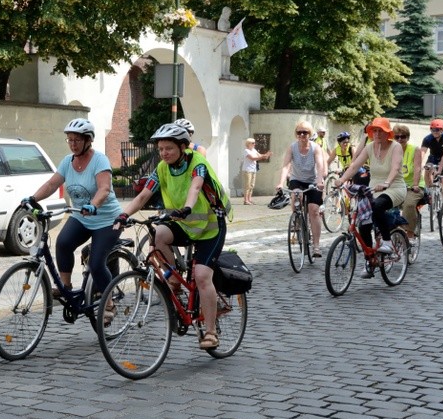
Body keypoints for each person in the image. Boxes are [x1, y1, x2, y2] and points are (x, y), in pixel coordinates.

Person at [114, 123, 232, 350]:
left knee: (201, 276)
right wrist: (123, 215)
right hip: (183, 223)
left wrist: (187, 207)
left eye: (169, 148)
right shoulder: (161, 168)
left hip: (210, 227)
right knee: (156, 235)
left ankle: (210, 332)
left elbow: (195, 187)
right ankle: (174, 278)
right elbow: (143, 195)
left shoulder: (197, 162)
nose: (164, 153)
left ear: (182, 147)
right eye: (160, 149)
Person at [22, 118, 123, 300]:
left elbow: (104, 188)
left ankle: (109, 301)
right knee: (63, 242)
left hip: (107, 219)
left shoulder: (99, 160)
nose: (73, 144)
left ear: (88, 140)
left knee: (96, 262)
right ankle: (65, 286)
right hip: (82, 217)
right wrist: (32, 198)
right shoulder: (67, 162)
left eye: (77, 140)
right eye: (70, 140)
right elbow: (52, 184)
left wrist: (93, 205)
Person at [335, 117, 406, 278]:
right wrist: (341, 180)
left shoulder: (395, 147)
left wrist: (387, 182)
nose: (377, 133)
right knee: (363, 224)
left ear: (387, 133)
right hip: (373, 188)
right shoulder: (369, 147)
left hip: (394, 187)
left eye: (380, 130)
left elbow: (395, 168)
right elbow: (354, 166)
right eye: (374, 130)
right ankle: (370, 261)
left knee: (378, 206)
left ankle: (387, 242)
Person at [276, 120, 326, 258]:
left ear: (310, 134)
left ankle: (316, 246)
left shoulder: (316, 148)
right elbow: (286, 166)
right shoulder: (292, 148)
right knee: (296, 195)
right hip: (296, 179)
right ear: (296, 134)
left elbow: (320, 166)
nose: (302, 135)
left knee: (314, 210)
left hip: (313, 181)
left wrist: (319, 181)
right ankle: (297, 217)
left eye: (305, 132)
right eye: (299, 132)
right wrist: (280, 182)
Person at [393, 124, 424, 244]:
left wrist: (415, 184)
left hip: (413, 186)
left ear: (408, 137)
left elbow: (417, 168)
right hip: (396, 185)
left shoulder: (414, 149)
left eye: (403, 136)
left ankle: (410, 234)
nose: (400, 139)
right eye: (397, 137)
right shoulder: (391, 149)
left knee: (409, 205)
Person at [420, 118, 443, 198]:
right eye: (432, 129)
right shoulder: (427, 139)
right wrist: (420, 163)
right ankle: (430, 192)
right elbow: (422, 152)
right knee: (427, 172)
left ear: (442, 130)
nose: (434, 132)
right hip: (433, 158)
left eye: (437, 130)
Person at [242, 137, 272, 205]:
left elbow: (259, 155)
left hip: (253, 169)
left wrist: (266, 155)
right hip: (248, 170)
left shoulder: (253, 150)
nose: (254, 144)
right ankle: (245, 200)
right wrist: (263, 157)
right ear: (248, 144)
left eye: (254, 143)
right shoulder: (246, 151)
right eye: (253, 143)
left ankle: (249, 199)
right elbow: (253, 158)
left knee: (252, 185)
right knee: (248, 185)